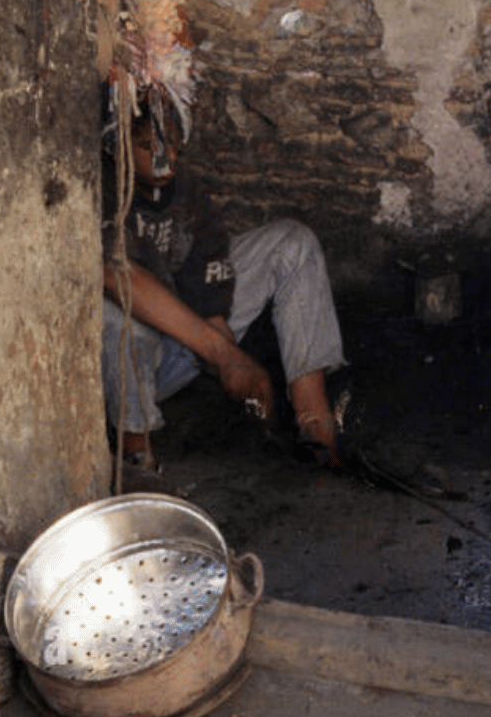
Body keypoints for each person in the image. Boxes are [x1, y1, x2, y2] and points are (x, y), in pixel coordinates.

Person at [101, 88, 348, 470]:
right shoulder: (99, 187)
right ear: (116, 148)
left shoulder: (187, 191)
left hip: (177, 345)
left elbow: (210, 286)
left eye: (174, 144)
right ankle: (136, 457)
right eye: (148, 146)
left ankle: (315, 425)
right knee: (123, 324)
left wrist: (235, 369)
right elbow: (119, 276)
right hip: (120, 371)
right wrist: (225, 355)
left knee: (292, 242)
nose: (167, 158)